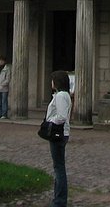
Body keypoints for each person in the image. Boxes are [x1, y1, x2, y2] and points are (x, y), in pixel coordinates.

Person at [45, 70, 72, 207]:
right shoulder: (63, 95)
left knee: (59, 168)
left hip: (58, 133)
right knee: (58, 167)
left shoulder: (61, 95)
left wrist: (50, 122)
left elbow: (61, 116)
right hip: (62, 133)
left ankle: (60, 201)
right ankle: (58, 199)